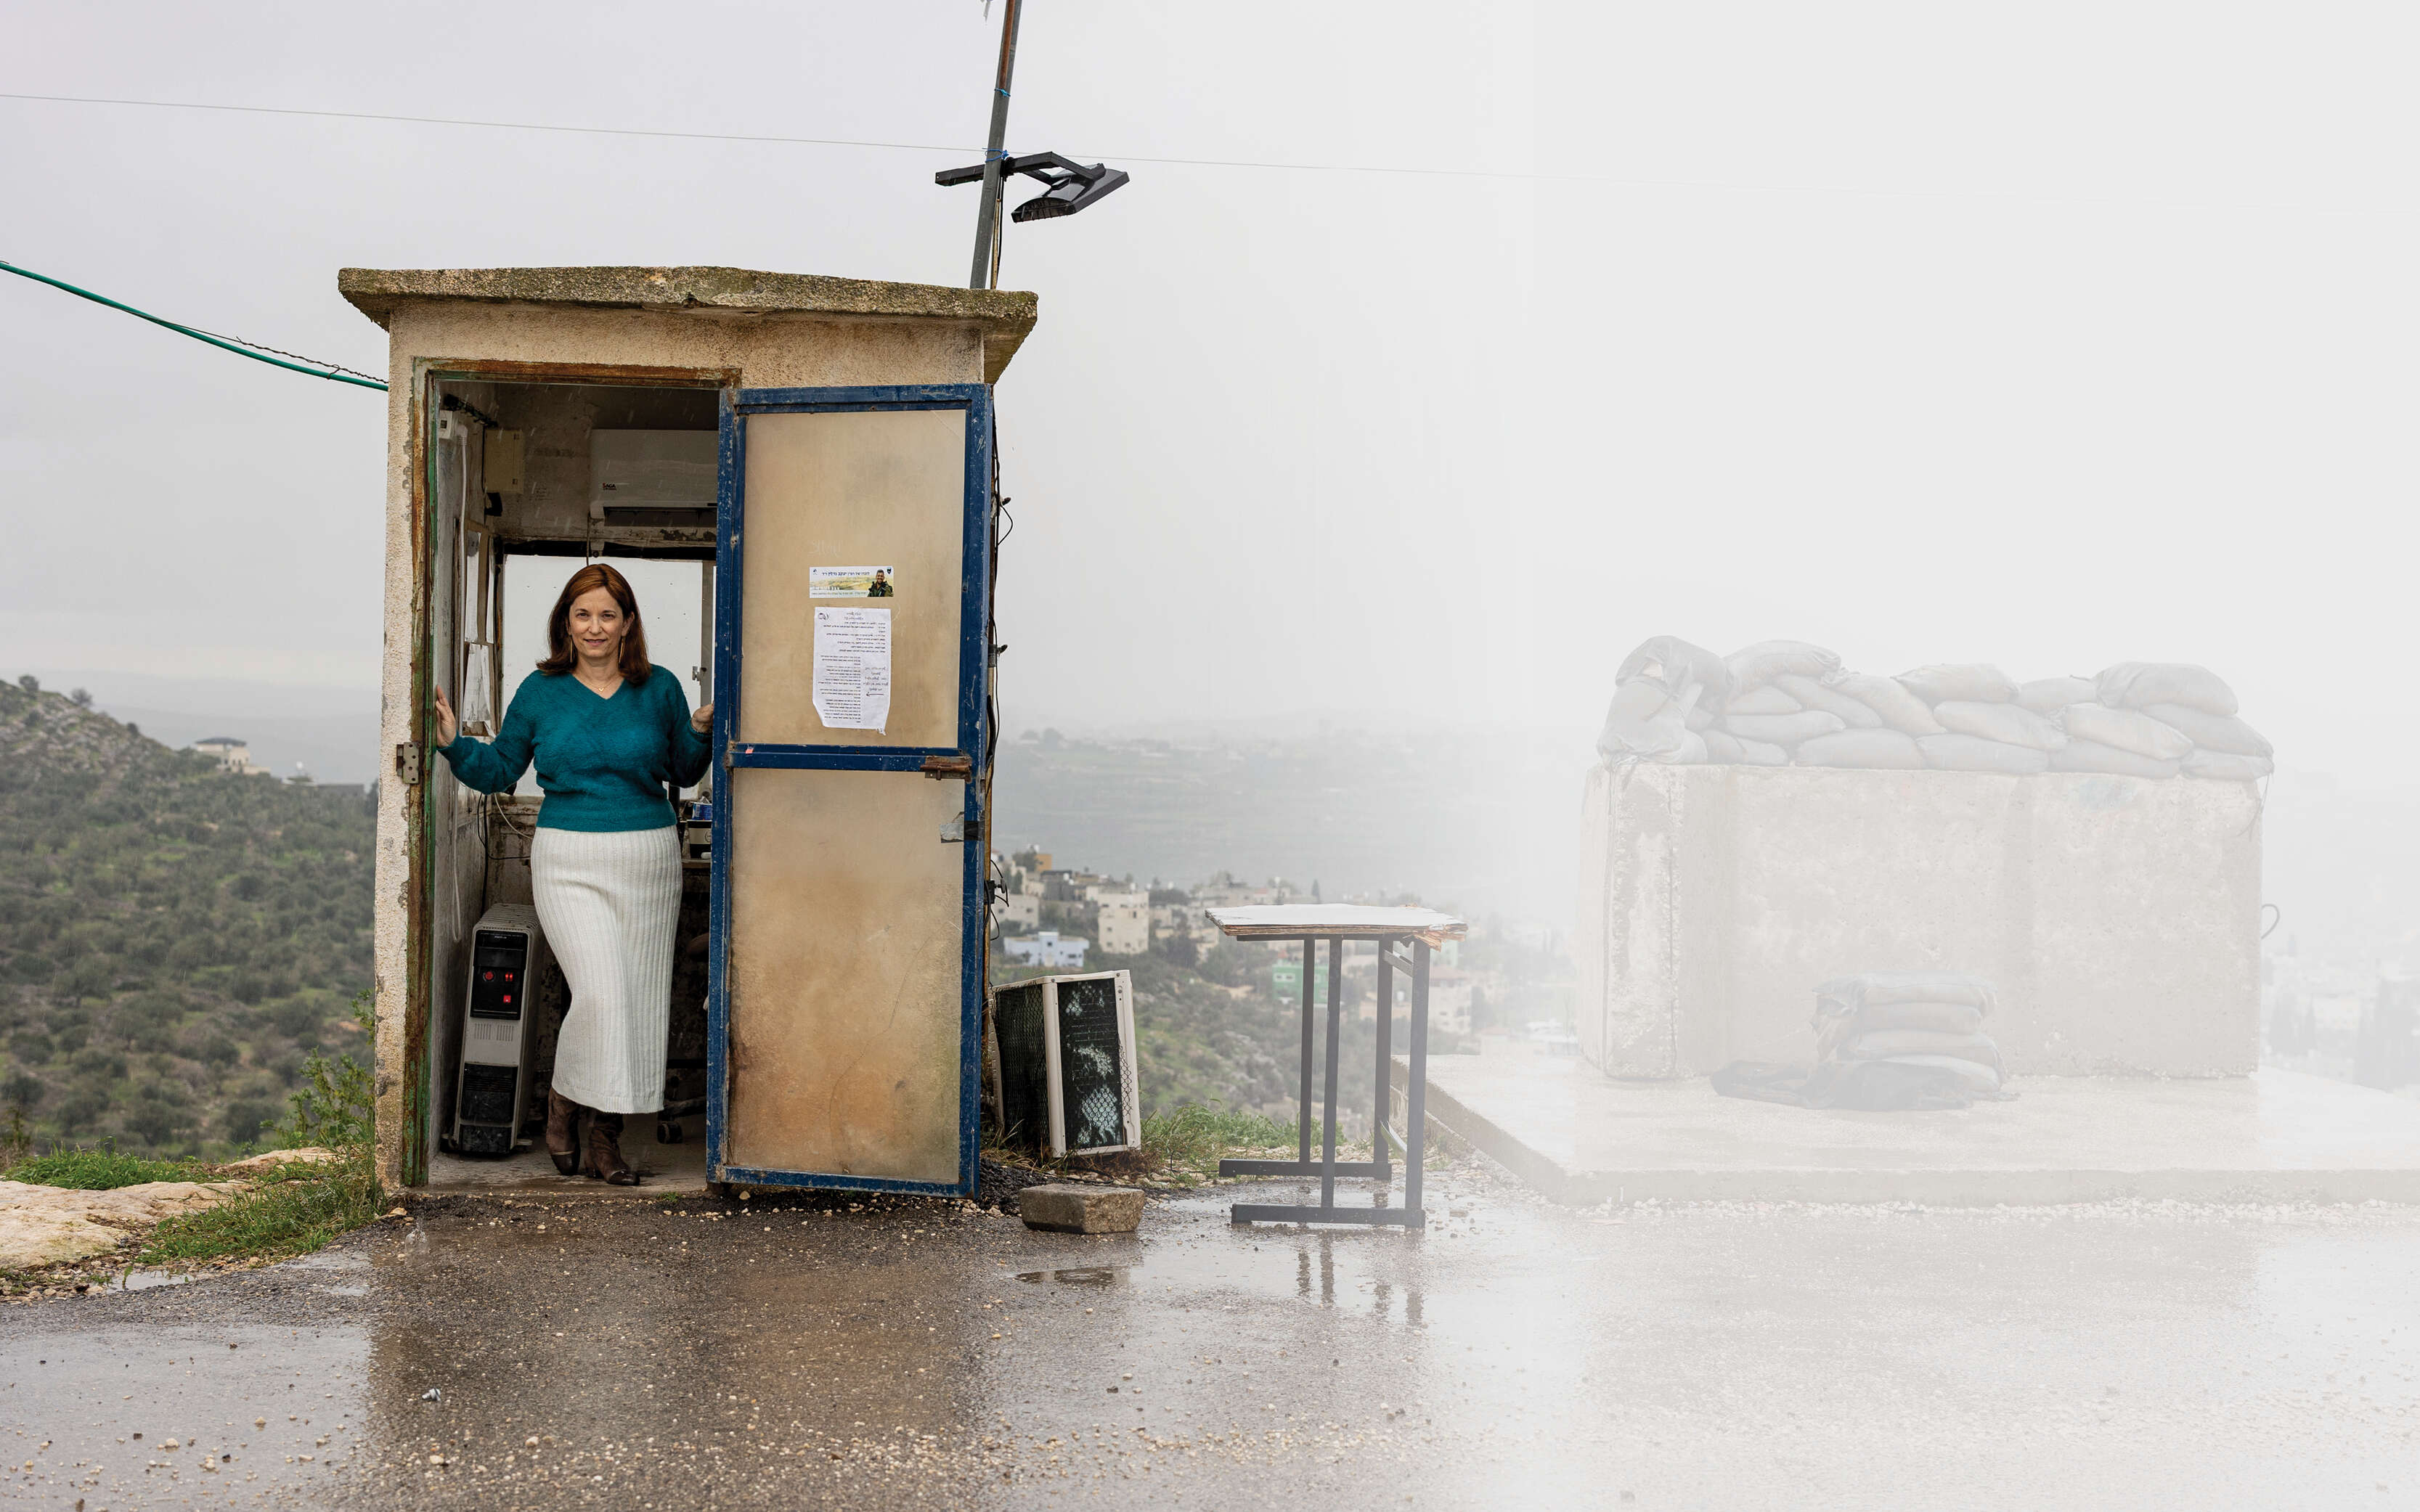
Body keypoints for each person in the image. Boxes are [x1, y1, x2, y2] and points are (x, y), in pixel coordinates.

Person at [433, 563, 711, 1183]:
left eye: (607, 615)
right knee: (602, 994)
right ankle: (562, 1102)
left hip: (648, 860)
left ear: (627, 623)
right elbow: (500, 767)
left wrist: (699, 730)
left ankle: (606, 1137)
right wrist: (454, 743)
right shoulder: (541, 691)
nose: (594, 626)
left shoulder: (660, 688)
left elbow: (685, 770)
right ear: (566, 621)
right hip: (568, 858)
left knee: (638, 1004)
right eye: (582, 614)